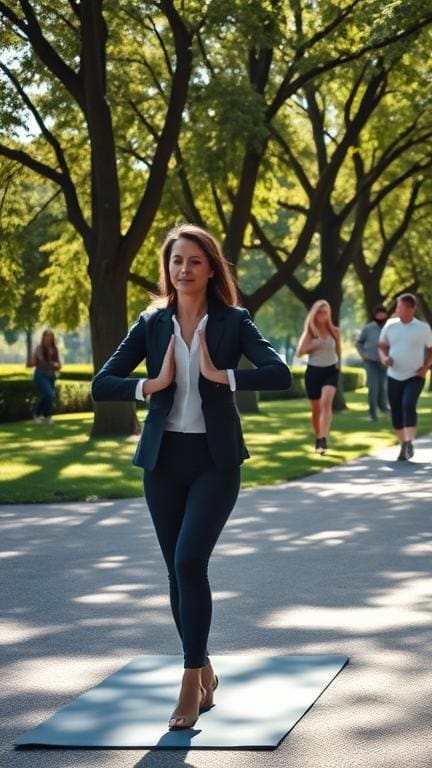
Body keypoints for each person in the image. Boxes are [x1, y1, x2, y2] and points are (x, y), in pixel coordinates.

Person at [91, 224, 291, 731]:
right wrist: (149, 385)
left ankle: (189, 684)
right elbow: (102, 383)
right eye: (177, 261)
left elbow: (279, 373)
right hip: (162, 462)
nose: (184, 270)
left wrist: (222, 375)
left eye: (194, 261)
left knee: (188, 561)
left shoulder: (232, 321)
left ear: (210, 268)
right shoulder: (151, 322)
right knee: (176, 573)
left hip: (214, 461)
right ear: (169, 268)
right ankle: (205, 670)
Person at [378, 293, 432, 461]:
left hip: (415, 375)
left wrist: (425, 367)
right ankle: (403, 444)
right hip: (394, 375)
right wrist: (384, 358)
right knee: (396, 409)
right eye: (397, 307)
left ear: (411, 309)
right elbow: (382, 346)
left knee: (408, 404)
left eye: (400, 307)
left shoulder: (422, 328)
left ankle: (409, 442)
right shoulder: (390, 326)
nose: (397, 310)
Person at [297, 300, 341, 453]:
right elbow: (299, 352)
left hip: (331, 370)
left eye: (325, 312)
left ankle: (323, 438)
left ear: (329, 314)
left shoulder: (334, 331)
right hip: (314, 372)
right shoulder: (310, 332)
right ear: (315, 314)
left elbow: (339, 351)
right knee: (316, 409)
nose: (323, 315)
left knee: (325, 403)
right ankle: (318, 437)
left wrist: (338, 366)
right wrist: (313, 345)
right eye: (320, 312)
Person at [356, 306, 390, 422]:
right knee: (373, 388)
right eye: (378, 314)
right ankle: (372, 414)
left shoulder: (390, 328)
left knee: (383, 387)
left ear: (386, 315)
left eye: (382, 314)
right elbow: (359, 343)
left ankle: (384, 408)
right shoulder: (368, 328)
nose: (380, 316)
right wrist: (363, 355)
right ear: (375, 316)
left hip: (385, 362)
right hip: (371, 362)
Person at [29, 329, 61, 424]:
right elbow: (42, 362)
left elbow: (59, 365)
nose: (49, 339)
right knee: (48, 394)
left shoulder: (55, 349)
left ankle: (47, 416)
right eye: (47, 337)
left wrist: (54, 364)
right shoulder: (39, 348)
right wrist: (53, 364)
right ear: (43, 338)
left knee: (48, 396)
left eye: (50, 337)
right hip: (41, 375)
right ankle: (36, 414)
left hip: (51, 376)